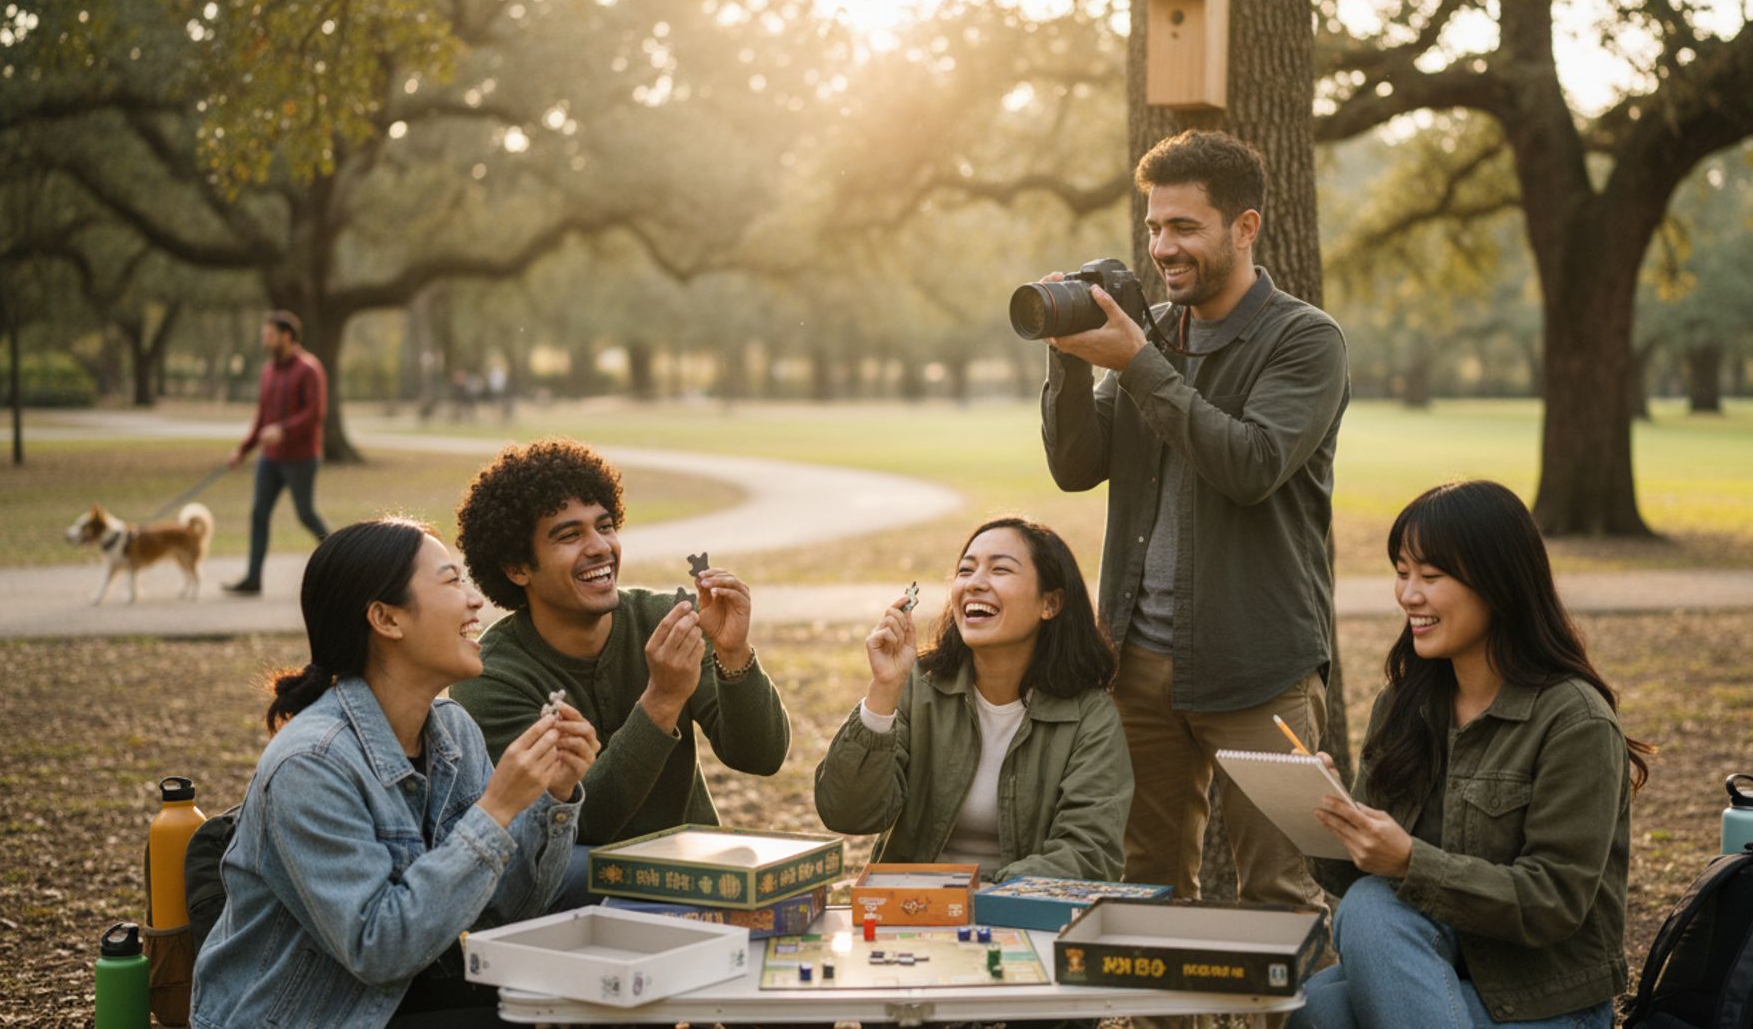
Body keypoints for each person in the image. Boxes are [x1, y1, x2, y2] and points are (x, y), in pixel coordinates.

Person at [1041, 129, 1349, 911]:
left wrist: (1137, 362)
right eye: (1154, 227)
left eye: (1183, 226)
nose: (1162, 248)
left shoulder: (1305, 339)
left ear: (1244, 227)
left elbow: (1250, 464)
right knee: (1144, 888)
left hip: (1258, 669)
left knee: (1280, 892)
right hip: (1137, 664)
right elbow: (1076, 465)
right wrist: (1068, 359)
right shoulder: (1152, 335)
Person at [191, 518, 596, 1028]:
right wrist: (496, 809)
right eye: (452, 582)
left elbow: (498, 913)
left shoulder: (452, 731)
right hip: (311, 1016)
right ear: (386, 618)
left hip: (394, 996)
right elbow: (378, 948)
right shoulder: (310, 764)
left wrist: (554, 795)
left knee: (591, 1001)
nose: (476, 601)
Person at [1294, 480, 1654, 1029]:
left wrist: (1411, 862)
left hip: (1543, 1001)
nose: (1408, 595)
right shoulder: (1404, 705)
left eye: (1430, 576)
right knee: (1321, 996)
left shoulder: (1574, 720)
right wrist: (1326, 815)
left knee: (1367, 915)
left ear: (1497, 583)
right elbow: (1355, 876)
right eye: (1402, 572)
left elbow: (1555, 901)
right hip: (1434, 972)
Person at [450, 438, 790, 909]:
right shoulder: (491, 679)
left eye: (605, 526)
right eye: (569, 536)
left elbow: (762, 756)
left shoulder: (664, 619)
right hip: (572, 897)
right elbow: (578, 827)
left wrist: (734, 655)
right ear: (516, 567)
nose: (600, 548)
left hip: (692, 874)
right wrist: (661, 700)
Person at [814, 517, 1131, 882]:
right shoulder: (918, 685)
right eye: (966, 570)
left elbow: (1089, 853)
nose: (974, 583)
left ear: (1051, 603)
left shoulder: (1090, 715)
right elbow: (846, 814)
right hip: (911, 904)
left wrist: (979, 895)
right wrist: (883, 691)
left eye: (1000, 570)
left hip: (1021, 908)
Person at [223, 309, 330, 595]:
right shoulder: (268, 371)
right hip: (270, 459)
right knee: (258, 514)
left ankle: (345, 559)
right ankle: (253, 579)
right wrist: (243, 450)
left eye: (269, 335)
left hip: (301, 458)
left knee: (306, 514)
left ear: (287, 336)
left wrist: (283, 429)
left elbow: (315, 412)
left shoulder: (309, 369)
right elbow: (262, 418)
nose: (265, 341)